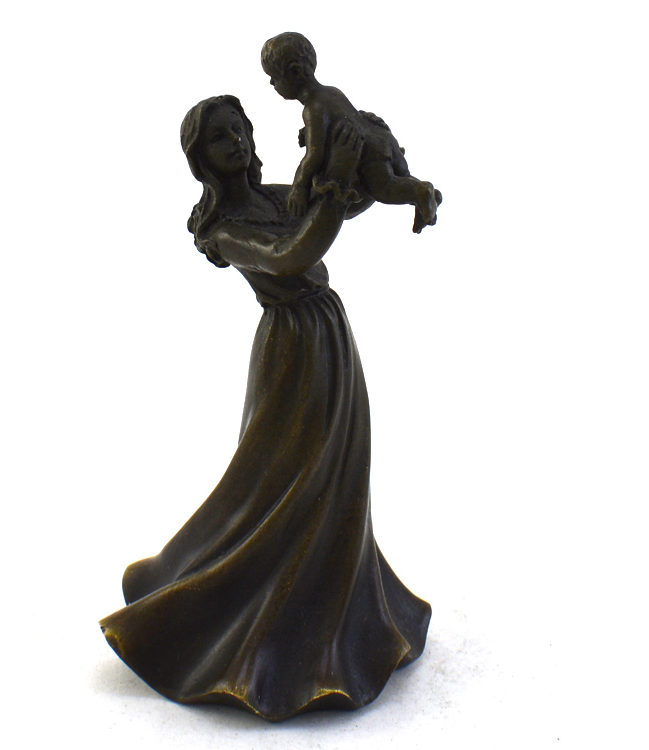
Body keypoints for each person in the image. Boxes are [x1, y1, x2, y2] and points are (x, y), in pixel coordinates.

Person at [100, 95, 431, 721]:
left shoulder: (276, 196)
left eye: (239, 129)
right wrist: (334, 183)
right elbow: (292, 255)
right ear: (201, 160)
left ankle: (333, 598)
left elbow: (337, 209)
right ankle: (252, 621)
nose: (236, 142)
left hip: (328, 334)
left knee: (334, 477)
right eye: (219, 138)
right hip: (292, 349)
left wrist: (366, 165)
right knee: (281, 481)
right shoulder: (223, 229)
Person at [261, 32, 441, 233]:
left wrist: (299, 187)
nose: (272, 84)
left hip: (371, 153)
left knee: (386, 189)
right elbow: (342, 116)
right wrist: (312, 131)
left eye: (274, 77)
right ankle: (428, 198)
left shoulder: (313, 109)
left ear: (295, 72)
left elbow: (314, 156)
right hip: (382, 137)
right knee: (403, 178)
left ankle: (422, 193)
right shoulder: (331, 91)